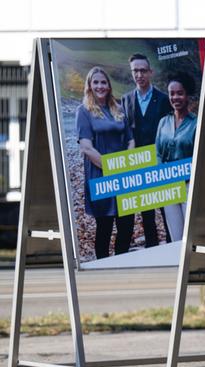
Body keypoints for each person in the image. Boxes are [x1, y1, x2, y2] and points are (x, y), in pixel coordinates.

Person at [78, 67, 134, 259]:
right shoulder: (83, 111)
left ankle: (122, 262)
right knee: (105, 226)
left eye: (104, 82)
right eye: (96, 82)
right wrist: (111, 168)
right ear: (89, 86)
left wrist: (126, 163)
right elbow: (86, 147)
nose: (100, 86)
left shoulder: (118, 109)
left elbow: (130, 140)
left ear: (109, 86)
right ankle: (103, 266)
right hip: (100, 176)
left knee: (127, 224)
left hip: (124, 174)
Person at [121, 53, 168, 247]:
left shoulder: (163, 99)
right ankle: (151, 248)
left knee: (166, 208)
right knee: (143, 211)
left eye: (142, 70)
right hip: (136, 162)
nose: (139, 74)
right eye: (135, 71)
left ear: (150, 72)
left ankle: (175, 248)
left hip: (159, 161)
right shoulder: (125, 99)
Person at [154, 72, 197, 241]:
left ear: (187, 95)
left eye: (180, 93)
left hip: (188, 185)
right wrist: (160, 175)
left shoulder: (196, 123)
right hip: (168, 185)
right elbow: (157, 152)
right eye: (172, 93)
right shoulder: (163, 122)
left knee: (191, 234)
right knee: (176, 236)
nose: (175, 97)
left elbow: (198, 155)